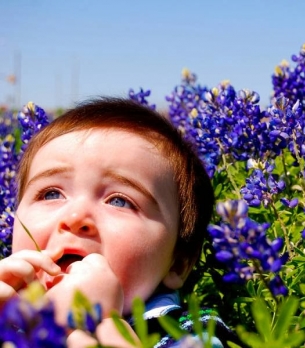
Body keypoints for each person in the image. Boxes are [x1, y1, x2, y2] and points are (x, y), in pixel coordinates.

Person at [0, 98, 233, 347]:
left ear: (177, 264)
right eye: (51, 194)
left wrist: (103, 327)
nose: (76, 217)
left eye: (119, 201)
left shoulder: (191, 335)